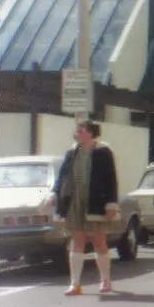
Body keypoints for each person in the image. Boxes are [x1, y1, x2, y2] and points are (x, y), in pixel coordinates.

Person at [49, 119, 120, 296]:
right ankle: (75, 284)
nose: (78, 132)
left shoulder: (103, 152)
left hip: (95, 201)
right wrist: (54, 194)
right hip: (75, 201)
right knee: (76, 240)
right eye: (77, 130)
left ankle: (105, 281)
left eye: (81, 130)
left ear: (90, 132)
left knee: (99, 240)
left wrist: (111, 203)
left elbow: (111, 179)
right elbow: (62, 177)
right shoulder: (71, 153)